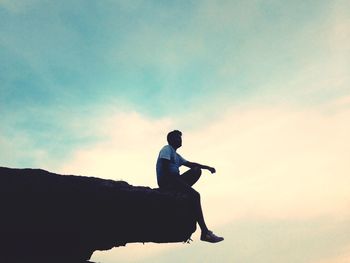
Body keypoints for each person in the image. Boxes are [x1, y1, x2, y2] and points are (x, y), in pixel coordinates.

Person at [156, 130, 224, 243]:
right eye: (177, 137)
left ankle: (184, 192)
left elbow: (191, 164)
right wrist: (168, 185)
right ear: (171, 139)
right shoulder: (166, 149)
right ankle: (205, 232)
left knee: (196, 170)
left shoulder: (176, 155)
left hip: (175, 181)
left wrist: (207, 167)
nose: (180, 139)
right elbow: (164, 166)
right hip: (168, 182)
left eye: (180, 137)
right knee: (195, 195)